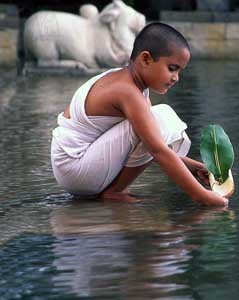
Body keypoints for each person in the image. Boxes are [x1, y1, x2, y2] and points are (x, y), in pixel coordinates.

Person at [50, 22, 228, 206]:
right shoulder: (128, 91)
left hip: (73, 168)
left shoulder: (131, 84)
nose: (176, 78)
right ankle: (116, 191)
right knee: (162, 119)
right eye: (172, 69)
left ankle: (114, 189)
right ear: (145, 59)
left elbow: (152, 143)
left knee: (155, 122)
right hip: (76, 169)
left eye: (179, 71)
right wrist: (203, 196)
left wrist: (194, 167)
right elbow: (157, 149)